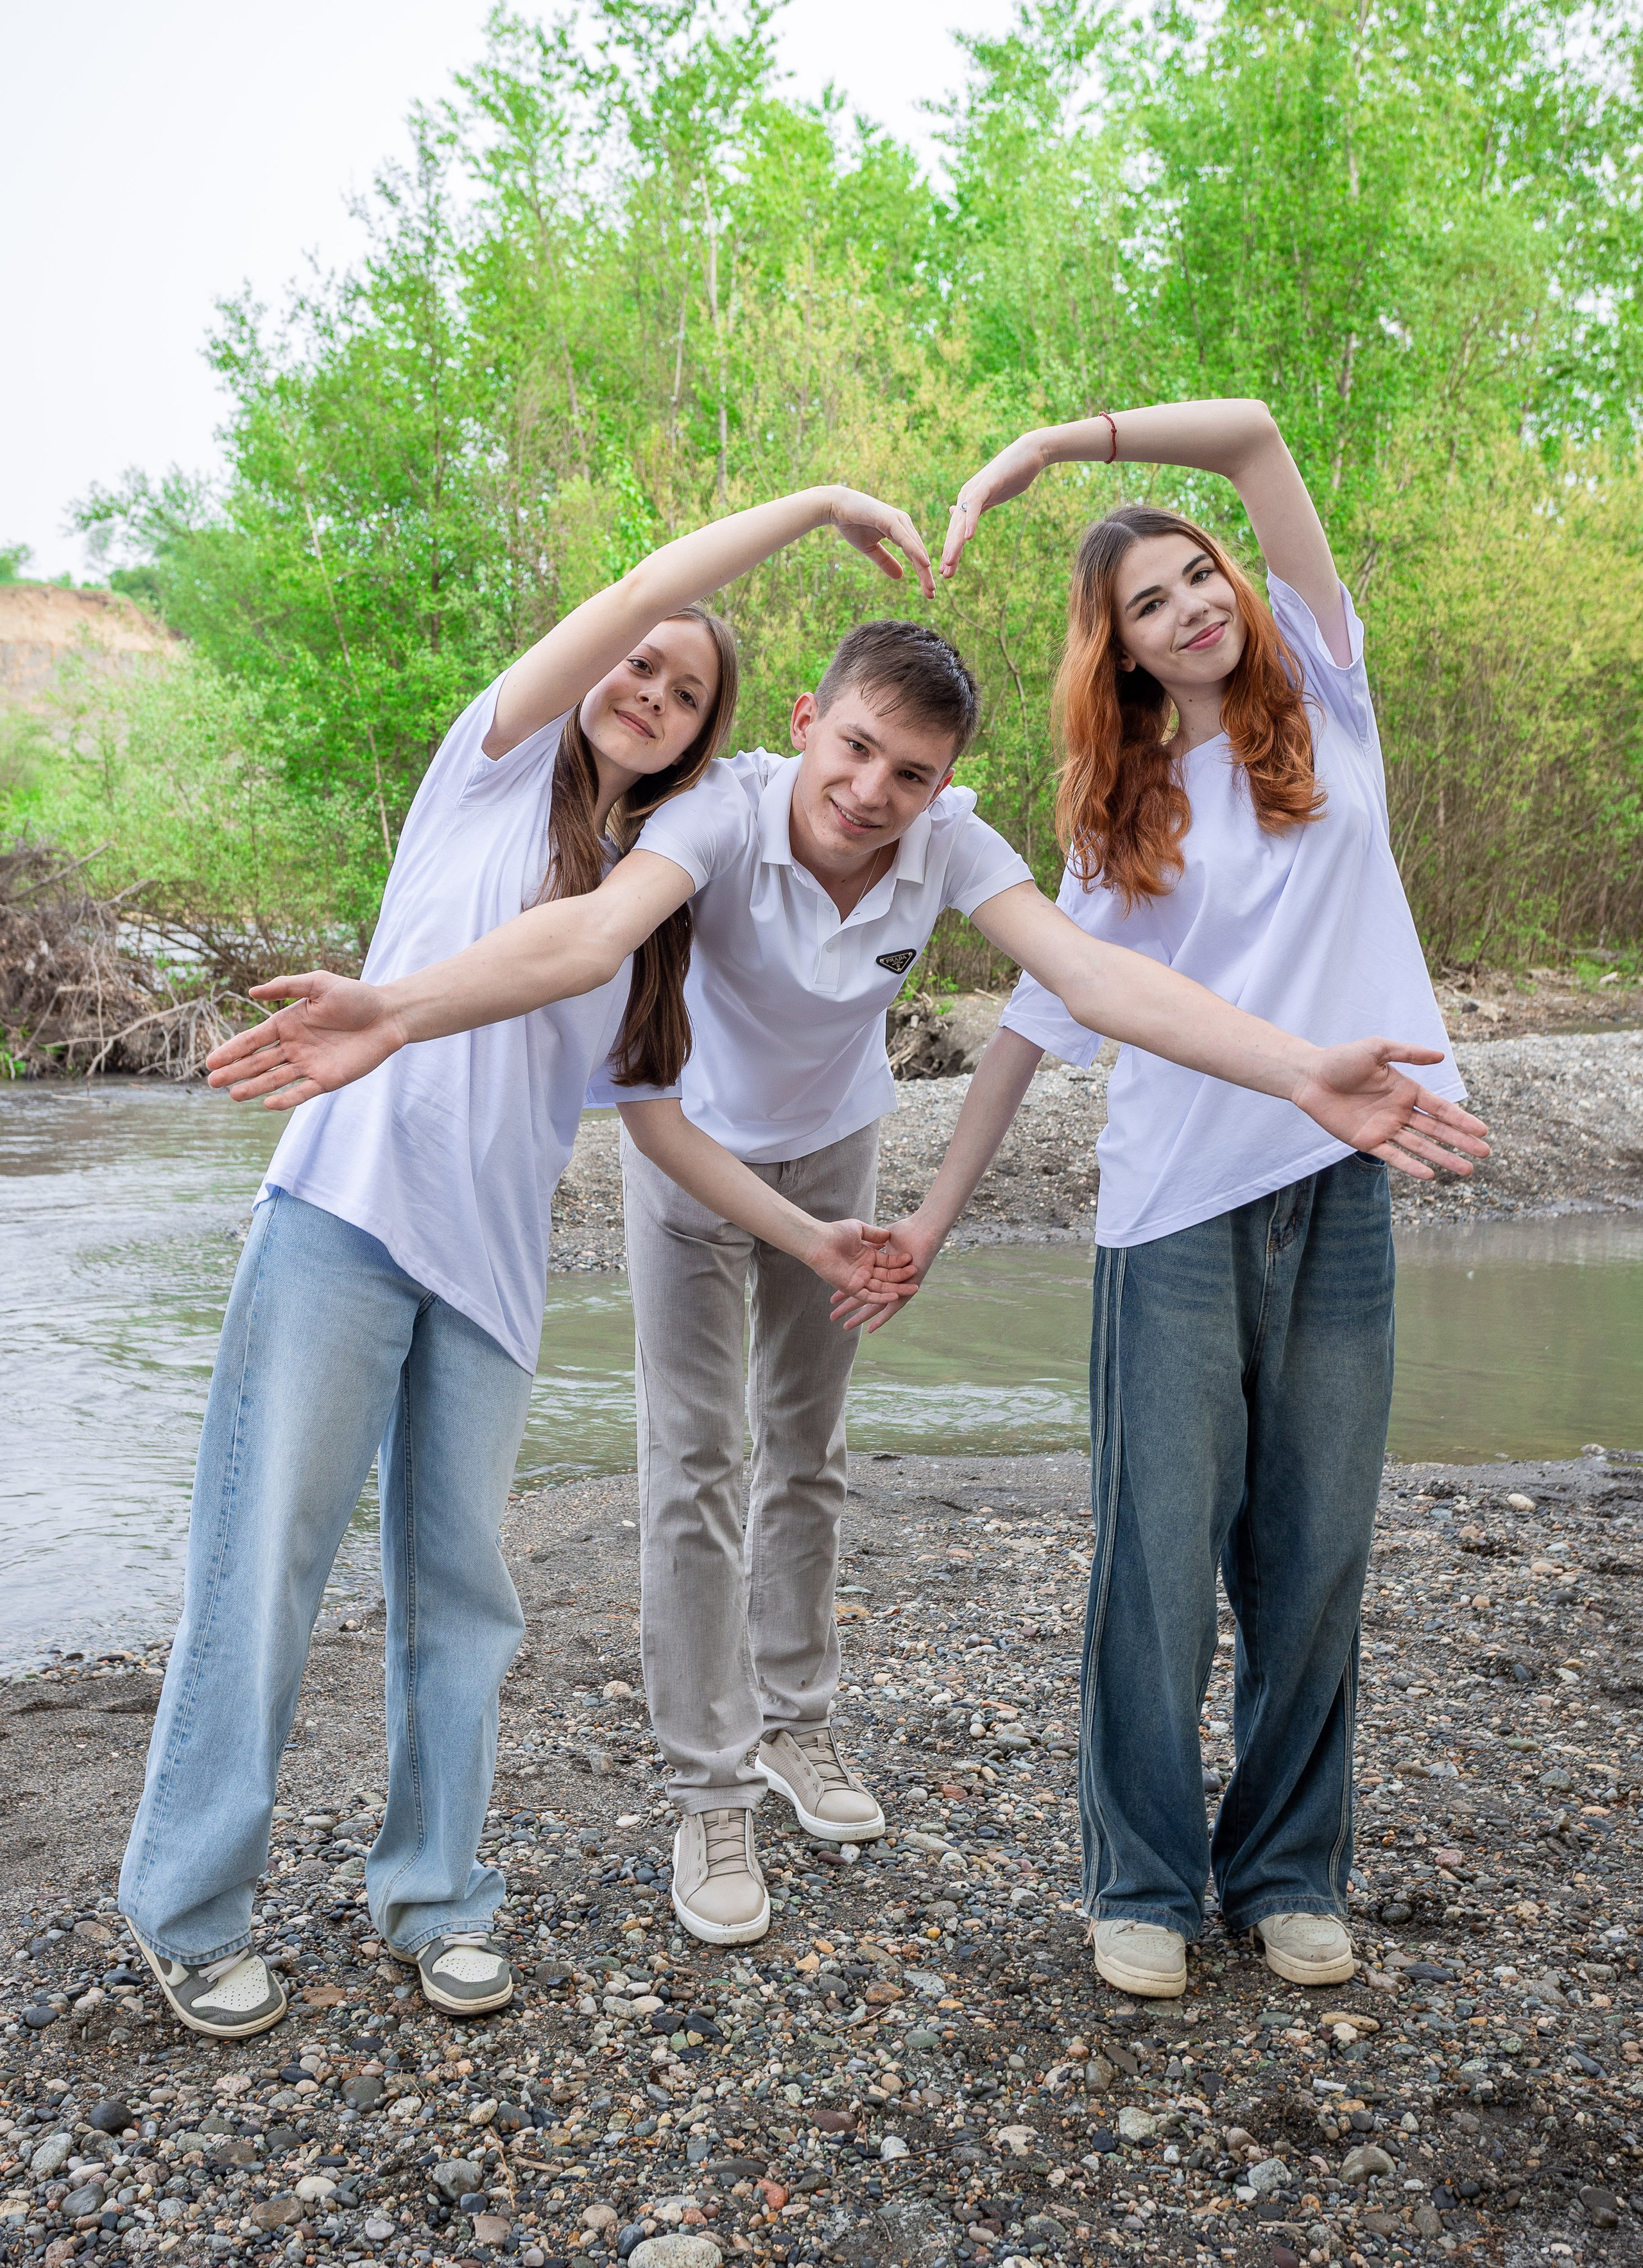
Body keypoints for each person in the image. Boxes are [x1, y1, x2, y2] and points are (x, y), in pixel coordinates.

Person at [209, 524, 1487, 1956]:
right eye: (856, 751)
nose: (872, 793)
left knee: (805, 1459)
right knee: (694, 1464)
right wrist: (393, 1009)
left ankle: (796, 1729)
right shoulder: (712, 817)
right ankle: (709, 1794)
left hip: (836, 1150)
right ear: (807, 722)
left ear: (943, 787)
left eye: (911, 775)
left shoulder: (943, 843)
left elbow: (1086, 978)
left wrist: (1296, 1071)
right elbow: (584, 945)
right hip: (684, 1149)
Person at [117, 485, 930, 2039]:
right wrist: (814, 507)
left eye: (687, 693)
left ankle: (434, 1897)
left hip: (489, 1282)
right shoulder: (482, 777)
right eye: (640, 665)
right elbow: (647, 585)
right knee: (267, 1566)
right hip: (342, 1224)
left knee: (461, 1597)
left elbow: (659, 1127)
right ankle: (188, 1904)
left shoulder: (644, 907)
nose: (651, 691)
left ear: (704, 740)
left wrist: (808, 1230)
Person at [867, 395, 1481, 1998]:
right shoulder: (1111, 813)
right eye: (1148, 604)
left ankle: (1283, 1871)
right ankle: (1137, 1881)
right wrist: (930, 1217)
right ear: (1121, 651)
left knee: (1314, 1553)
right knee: (1152, 1562)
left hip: (1335, 1185)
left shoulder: (1325, 701)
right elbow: (1029, 1029)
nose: (1192, 605)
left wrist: (1040, 459)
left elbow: (1261, 434)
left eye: (1197, 575)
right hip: (1169, 1212)